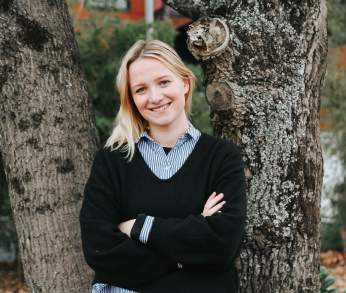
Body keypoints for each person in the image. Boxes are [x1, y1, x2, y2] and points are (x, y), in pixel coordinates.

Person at [79, 39, 247, 293]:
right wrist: (188, 249)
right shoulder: (113, 161)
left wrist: (139, 227)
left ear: (185, 84)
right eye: (141, 89)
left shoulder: (221, 157)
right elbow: (99, 248)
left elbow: (222, 246)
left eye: (164, 82)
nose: (155, 97)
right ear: (132, 99)